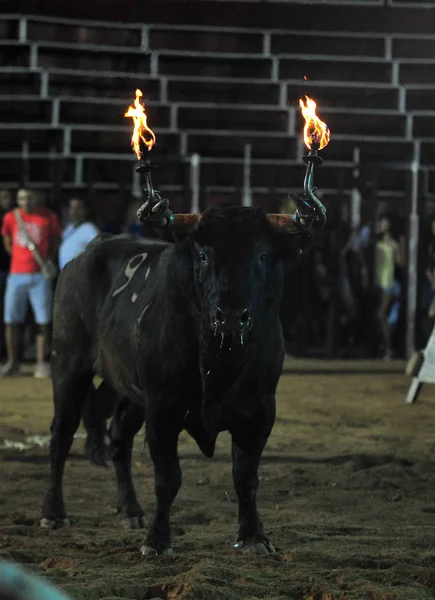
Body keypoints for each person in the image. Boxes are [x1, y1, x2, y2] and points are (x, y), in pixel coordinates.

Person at [1, 188, 61, 378]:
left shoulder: (48, 217)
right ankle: (13, 362)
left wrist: (46, 260)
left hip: (39, 276)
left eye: (28, 197)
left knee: (43, 321)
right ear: (17, 200)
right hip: (16, 274)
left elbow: (55, 240)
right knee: (12, 320)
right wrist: (19, 258)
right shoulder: (11, 217)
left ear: (36, 197)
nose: (25, 201)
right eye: (21, 198)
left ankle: (41, 363)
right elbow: (7, 240)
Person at [374, 213, 405, 360]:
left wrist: (399, 248)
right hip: (378, 281)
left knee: (381, 314)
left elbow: (401, 263)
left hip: (389, 282)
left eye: (385, 223)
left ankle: (388, 347)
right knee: (381, 317)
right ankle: (383, 345)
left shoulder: (394, 242)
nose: (383, 226)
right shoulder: (376, 240)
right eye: (381, 223)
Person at [58, 197, 99, 270]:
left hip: (81, 276)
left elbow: (98, 251)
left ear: (85, 210)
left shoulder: (90, 229)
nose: (74, 211)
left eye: (78, 208)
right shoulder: (68, 228)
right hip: (66, 275)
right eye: (72, 208)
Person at [0, 190, 14, 359]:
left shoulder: (14, 217)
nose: (5, 200)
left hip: (11, 271)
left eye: (8, 196)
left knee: (8, 314)